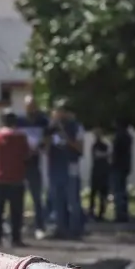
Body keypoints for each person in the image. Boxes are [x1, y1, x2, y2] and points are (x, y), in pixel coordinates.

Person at [0, 110, 31, 247]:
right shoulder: (21, 137)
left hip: (0, 177)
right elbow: (26, 154)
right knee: (16, 211)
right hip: (17, 177)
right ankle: (15, 238)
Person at [46, 102, 86, 238]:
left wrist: (65, 135)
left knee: (72, 200)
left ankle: (76, 229)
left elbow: (80, 148)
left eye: (61, 111)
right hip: (56, 168)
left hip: (70, 167)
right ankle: (60, 229)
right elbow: (45, 148)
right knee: (57, 200)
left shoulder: (75, 127)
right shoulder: (51, 129)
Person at [17, 95, 49, 235]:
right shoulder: (19, 121)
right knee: (18, 196)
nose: (31, 109)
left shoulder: (42, 121)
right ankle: (18, 225)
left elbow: (46, 140)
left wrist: (38, 148)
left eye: (33, 105)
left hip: (34, 163)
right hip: (20, 164)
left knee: (37, 197)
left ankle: (39, 226)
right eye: (28, 106)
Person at [110, 119, 133, 223]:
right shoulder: (128, 137)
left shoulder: (118, 137)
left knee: (118, 191)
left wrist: (111, 163)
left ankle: (120, 214)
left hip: (117, 166)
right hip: (125, 166)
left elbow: (115, 154)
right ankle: (124, 213)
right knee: (123, 191)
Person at [88, 132, 111, 220]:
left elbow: (105, 155)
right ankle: (92, 211)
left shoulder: (104, 145)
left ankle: (101, 212)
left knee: (102, 194)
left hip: (103, 172)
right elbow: (98, 155)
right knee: (93, 193)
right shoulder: (95, 146)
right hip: (97, 172)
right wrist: (105, 155)